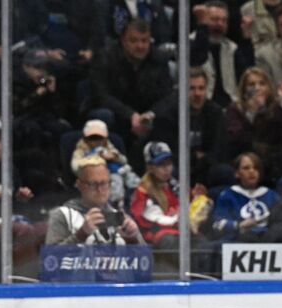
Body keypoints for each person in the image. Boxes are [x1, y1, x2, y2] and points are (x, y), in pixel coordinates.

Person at [90, 17, 173, 152]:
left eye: (144, 41)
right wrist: (131, 115)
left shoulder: (159, 59)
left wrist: (150, 115)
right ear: (123, 41)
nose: (140, 46)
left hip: (148, 116)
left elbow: (168, 96)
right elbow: (101, 95)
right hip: (118, 113)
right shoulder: (105, 57)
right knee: (104, 115)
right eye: (134, 41)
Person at [221, 66, 282, 175]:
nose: (257, 88)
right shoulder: (235, 110)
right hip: (245, 157)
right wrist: (252, 113)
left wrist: (281, 104)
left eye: (262, 84)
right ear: (244, 89)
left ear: (268, 87)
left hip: (275, 159)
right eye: (251, 84)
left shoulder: (277, 107)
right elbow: (237, 139)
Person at [45, 156, 145, 245]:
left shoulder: (120, 217)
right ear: (79, 185)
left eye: (104, 183)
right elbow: (50, 260)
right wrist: (81, 234)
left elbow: (147, 262)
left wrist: (132, 240)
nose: (99, 190)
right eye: (93, 184)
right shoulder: (62, 215)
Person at [209, 151, 279, 240]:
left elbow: (281, 222)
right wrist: (239, 225)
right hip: (235, 243)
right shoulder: (227, 195)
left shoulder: (272, 195)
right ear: (237, 173)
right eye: (246, 168)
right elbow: (217, 224)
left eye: (256, 168)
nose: (252, 171)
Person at [70, 119, 140, 207]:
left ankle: (133, 199)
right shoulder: (81, 150)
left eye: (99, 138)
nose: (96, 141)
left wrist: (115, 157)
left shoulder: (109, 148)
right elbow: (75, 167)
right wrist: (93, 160)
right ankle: (113, 203)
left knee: (129, 177)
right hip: (94, 178)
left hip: (114, 172)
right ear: (86, 139)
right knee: (114, 180)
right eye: (92, 138)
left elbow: (124, 160)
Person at [129, 141, 181, 250]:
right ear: (150, 167)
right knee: (176, 243)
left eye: (169, 163)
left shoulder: (174, 185)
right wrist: (179, 219)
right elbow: (154, 219)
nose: (167, 169)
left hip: (180, 231)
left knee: (200, 240)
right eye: (161, 165)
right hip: (158, 237)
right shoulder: (142, 191)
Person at [191, 0, 241, 106]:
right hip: (200, 104)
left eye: (224, 21)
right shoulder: (189, 43)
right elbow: (197, 59)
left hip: (230, 105)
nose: (220, 24)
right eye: (214, 19)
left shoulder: (232, 48)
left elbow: (245, 75)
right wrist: (202, 28)